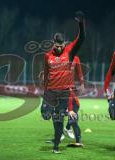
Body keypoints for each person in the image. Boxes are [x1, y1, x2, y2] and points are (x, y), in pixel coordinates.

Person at [43, 11, 86, 153]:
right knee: (45, 115)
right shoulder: (47, 56)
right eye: (57, 45)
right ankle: (47, 113)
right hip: (50, 92)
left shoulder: (69, 52)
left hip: (63, 94)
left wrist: (81, 23)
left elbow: (81, 39)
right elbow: (46, 75)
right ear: (53, 43)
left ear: (64, 44)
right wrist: (45, 93)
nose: (59, 48)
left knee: (59, 120)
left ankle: (55, 147)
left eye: (61, 45)